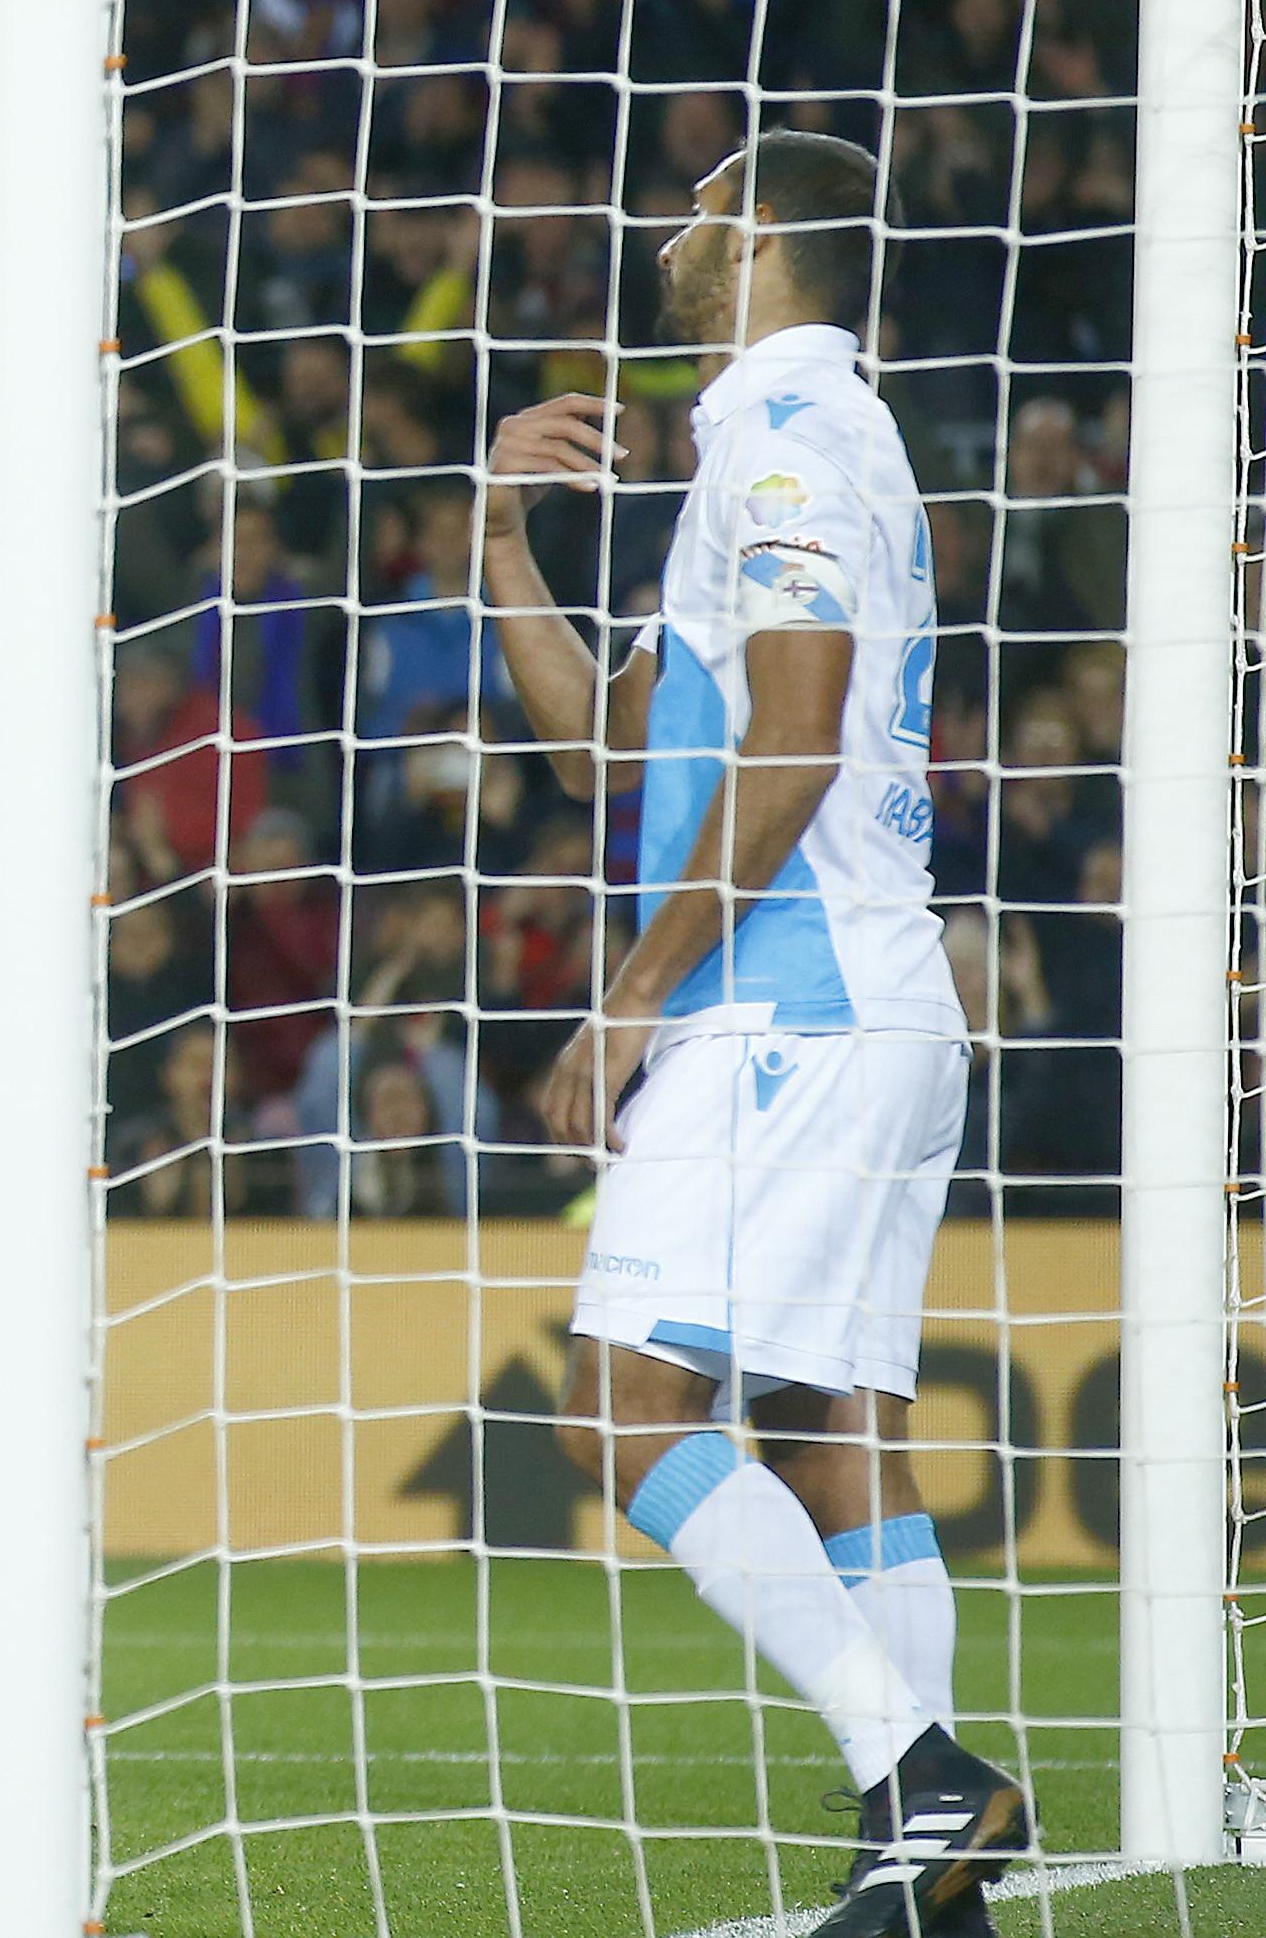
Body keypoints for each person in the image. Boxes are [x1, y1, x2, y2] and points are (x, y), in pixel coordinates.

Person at [484, 131, 1022, 1935]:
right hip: (875, 996)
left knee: (618, 1412)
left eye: (702, 204)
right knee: (829, 1427)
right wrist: (500, 542)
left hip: (787, 1001)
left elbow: (787, 742)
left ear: (764, 233)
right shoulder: (786, 441)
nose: (670, 227)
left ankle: (923, 1780)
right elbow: (609, 748)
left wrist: (635, 992)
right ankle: (923, 1842)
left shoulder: (783, 439)